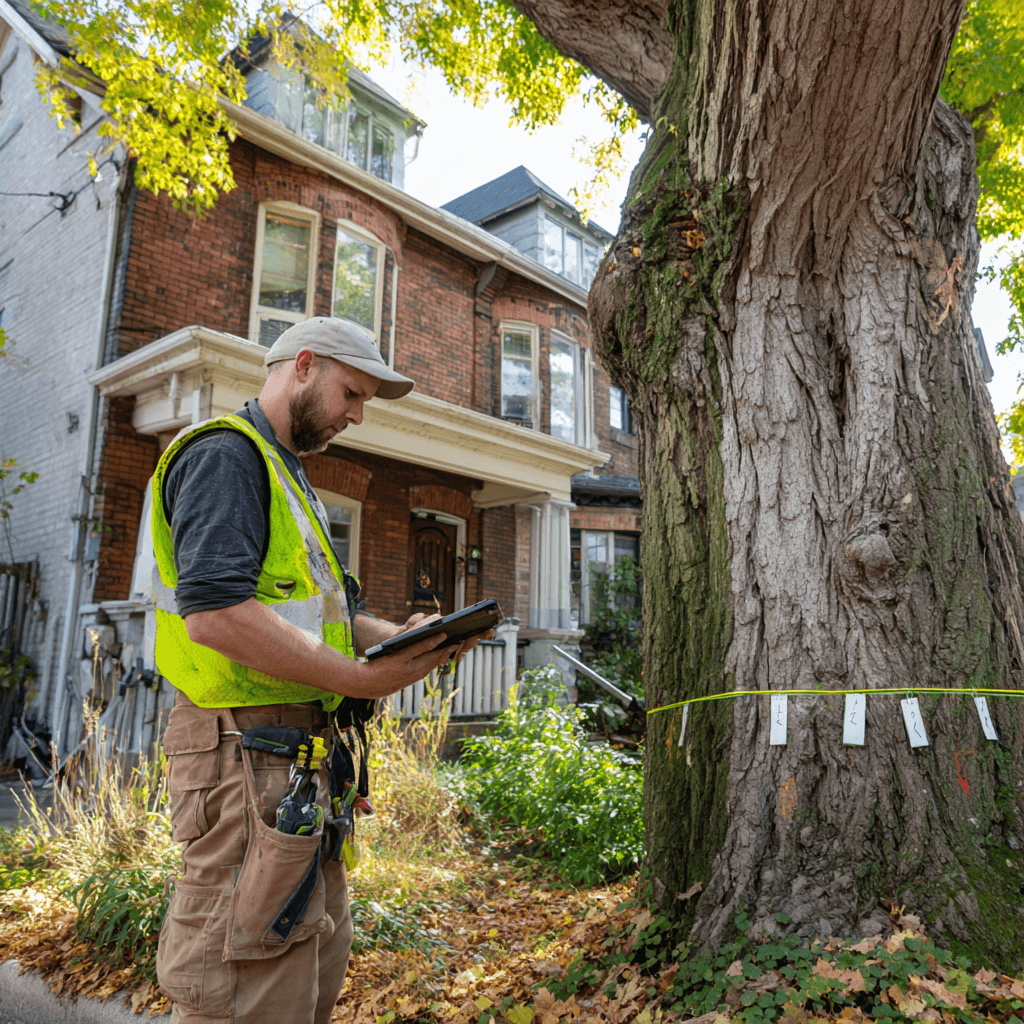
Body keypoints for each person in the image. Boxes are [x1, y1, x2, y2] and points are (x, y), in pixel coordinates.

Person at [150, 317, 488, 1024]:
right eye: (352, 393)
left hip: (295, 767)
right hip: (244, 758)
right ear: (303, 365)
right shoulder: (227, 457)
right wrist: (359, 679)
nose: (357, 415)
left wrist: (397, 638)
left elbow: (328, 614)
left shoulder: (289, 476)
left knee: (302, 981)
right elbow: (214, 613)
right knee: (245, 992)